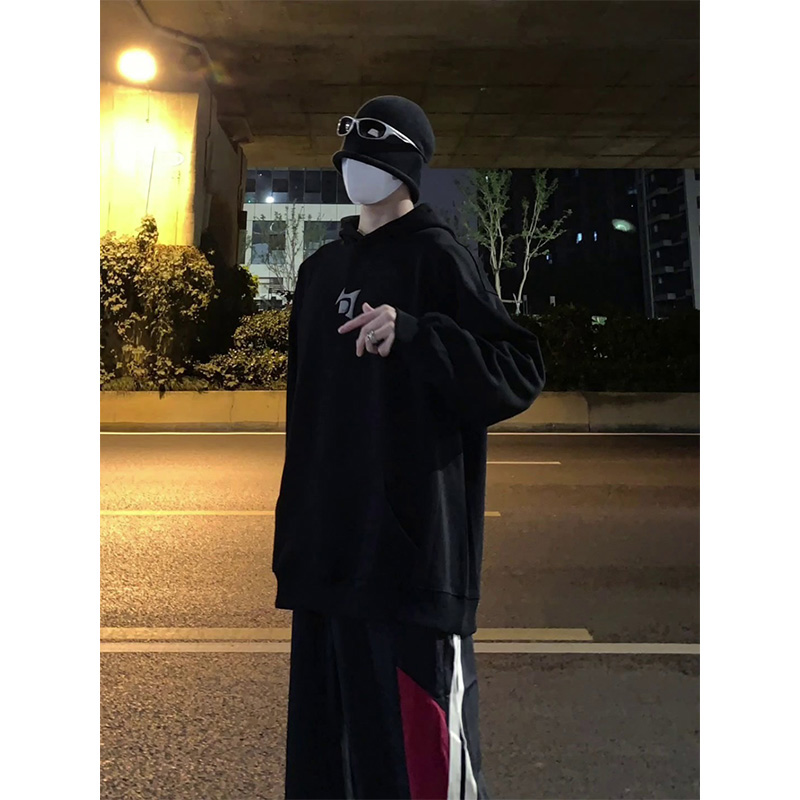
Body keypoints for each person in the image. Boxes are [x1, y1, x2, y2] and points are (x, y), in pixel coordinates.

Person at [273, 95, 546, 799]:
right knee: (327, 770)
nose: (354, 168)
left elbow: (518, 371)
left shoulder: (439, 256)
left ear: (406, 168)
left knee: (416, 775)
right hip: (324, 565)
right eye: (349, 154)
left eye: (371, 154)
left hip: (407, 571)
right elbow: (305, 415)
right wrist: (294, 537)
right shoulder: (318, 273)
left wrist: (420, 336)